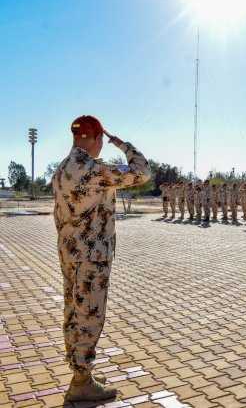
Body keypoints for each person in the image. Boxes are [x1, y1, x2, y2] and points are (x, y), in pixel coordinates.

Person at [53, 115, 150, 401]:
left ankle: (79, 371)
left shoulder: (62, 169)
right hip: (91, 257)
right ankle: (81, 381)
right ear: (97, 139)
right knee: (90, 315)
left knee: (73, 311)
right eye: (101, 141)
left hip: (69, 253)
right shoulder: (93, 169)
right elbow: (142, 171)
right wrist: (122, 143)